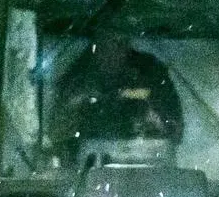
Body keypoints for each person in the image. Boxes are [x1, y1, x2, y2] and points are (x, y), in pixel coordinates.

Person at [51, 28, 184, 164]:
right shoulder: (78, 77)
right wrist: (78, 104)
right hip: (89, 172)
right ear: (95, 44)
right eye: (106, 43)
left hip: (146, 168)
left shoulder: (150, 73)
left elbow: (175, 131)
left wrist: (154, 118)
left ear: (128, 44)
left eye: (120, 42)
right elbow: (56, 135)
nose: (113, 51)